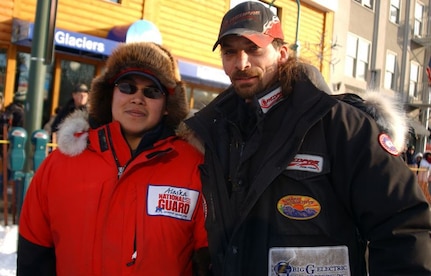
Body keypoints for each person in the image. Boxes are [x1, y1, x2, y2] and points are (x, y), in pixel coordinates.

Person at [184, 1, 431, 275]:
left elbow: (403, 226)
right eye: (230, 52)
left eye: (254, 49)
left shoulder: (339, 125)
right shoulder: (214, 131)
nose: (241, 63)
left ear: (281, 53)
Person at [17, 42, 209, 275]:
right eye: (127, 87)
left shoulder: (194, 167)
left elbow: (208, 262)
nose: (138, 98)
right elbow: (33, 258)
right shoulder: (59, 164)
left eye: (152, 91)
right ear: (110, 95)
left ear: (167, 105)